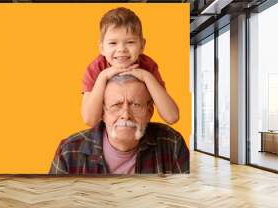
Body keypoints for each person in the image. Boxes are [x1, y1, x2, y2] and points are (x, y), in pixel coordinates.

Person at [50, 75, 189, 174]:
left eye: (135, 105)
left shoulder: (172, 143)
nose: (125, 115)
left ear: (150, 112)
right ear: (102, 113)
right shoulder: (69, 150)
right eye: (116, 105)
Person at [81, 7, 179, 127]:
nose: (121, 49)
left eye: (130, 42)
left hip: (138, 128)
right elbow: (90, 120)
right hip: (111, 131)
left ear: (142, 45)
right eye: (113, 43)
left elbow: (172, 116)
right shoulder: (96, 68)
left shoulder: (148, 66)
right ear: (102, 48)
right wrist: (103, 76)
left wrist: (146, 76)